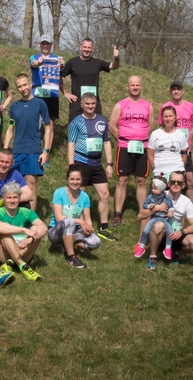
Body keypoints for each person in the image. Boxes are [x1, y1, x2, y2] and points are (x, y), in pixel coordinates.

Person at [67, 92, 116, 241]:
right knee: (79, 195)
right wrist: (71, 166)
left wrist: (109, 164)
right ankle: (79, 226)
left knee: (105, 194)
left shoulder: (102, 120)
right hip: (81, 162)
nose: (90, 106)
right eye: (87, 104)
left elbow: (106, 142)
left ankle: (104, 228)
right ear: (82, 105)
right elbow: (71, 144)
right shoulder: (76, 122)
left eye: (93, 103)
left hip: (97, 163)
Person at [2, 73, 52, 212]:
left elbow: (48, 129)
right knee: (12, 187)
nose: (23, 88)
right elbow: (10, 129)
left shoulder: (40, 104)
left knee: (31, 187)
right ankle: (12, 217)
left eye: (25, 85)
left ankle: (31, 219)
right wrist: (5, 151)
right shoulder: (14, 106)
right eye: (19, 86)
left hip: (33, 151)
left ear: (30, 84)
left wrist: (46, 151)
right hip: (16, 151)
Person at [109, 75, 153, 227]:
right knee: (123, 180)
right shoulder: (120, 105)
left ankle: (143, 212)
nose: (135, 87)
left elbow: (150, 126)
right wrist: (122, 140)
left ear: (141, 87)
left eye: (137, 85)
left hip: (142, 147)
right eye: (132, 85)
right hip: (125, 147)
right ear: (127, 87)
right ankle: (118, 213)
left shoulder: (148, 106)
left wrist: (141, 138)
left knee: (141, 180)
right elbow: (112, 126)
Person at [140, 171, 193, 270]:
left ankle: (176, 254)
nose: (176, 184)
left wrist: (181, 232)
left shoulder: (186, 202)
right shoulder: (158, 195)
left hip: (176, 235)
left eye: (179, 183)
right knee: (158, 226)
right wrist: (156, 208)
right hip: (160, 235)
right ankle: (153, 257)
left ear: (183, 185)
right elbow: (140, 215)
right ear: (168, 184)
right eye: (173, 182)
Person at [0, 181, 48, 283]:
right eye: (9, 198)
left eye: (15, 197)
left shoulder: (27, 212)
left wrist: (30, 239)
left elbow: (43, 228)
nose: (12, 200)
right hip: (4, 254)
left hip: (23, 249)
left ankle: (11, 262)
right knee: (4, 232)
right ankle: (23, 266)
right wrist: (24, 229)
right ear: (3, 199)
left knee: (35, 230)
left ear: (20, 198)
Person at [48, 165, 101, 269]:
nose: (75, 182)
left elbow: (88, 219)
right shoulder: (59, 193)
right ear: (67, 179)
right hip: (56, 231)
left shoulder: (85, 196)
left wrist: (88, 228)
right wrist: (80, 221)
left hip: (74, 231)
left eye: (78, 179)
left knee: (95, 242)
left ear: (82, 180)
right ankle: (71, 256)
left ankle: (68, 245)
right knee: (69, 221)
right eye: (72, 179)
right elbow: (59, 217)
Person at [159, 81, 193, 209]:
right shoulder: (165, 107)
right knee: (170, 180)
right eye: (173, 89)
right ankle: (168, 207)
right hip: (170, 150)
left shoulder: (191, 107)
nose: (176, 91)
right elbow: (161, 126)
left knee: (190, 181)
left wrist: (188, 140)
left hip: (185, 149)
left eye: (178, 89)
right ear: (170, 92)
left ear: (183, 91)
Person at [61, 38, 120, 120]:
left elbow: (113, 66)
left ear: (92, 49)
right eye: (85, 47)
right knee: (75, 127)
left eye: (89, 48)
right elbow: (58, 76)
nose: (86, 49)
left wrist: (116, 58)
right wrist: (65, 93)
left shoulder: (97, 63)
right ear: (81, 47)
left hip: (93, 103)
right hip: (77, 103)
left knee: (95, 127)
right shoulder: (72, 62)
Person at [29, 35, 63, 136]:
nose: (45, 46)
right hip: (37, 93)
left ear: (51, 44)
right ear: (39, 44)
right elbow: (33, 64)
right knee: (35, 121)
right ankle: (34, 143)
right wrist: (39, 63)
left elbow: (61, 71)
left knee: (50, 123)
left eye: (47, 43)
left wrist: (62, 65)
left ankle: (48, 146)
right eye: (43, 43)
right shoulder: (34, 57)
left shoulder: (57, 58)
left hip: (52, 93)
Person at [133, 177, 175, 260]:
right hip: (154, 218)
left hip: (165, 219)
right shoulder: (150, 197)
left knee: (170, 233)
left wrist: (170, 212)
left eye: (155, 189)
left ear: (162, 189)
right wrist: (150, 206)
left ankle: (167, 248)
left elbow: (171, 207)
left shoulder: (167, 198)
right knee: (145, 230)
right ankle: (141, 246)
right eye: (152, 188)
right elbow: (145, 205)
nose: (152, 190)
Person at [148, 104, 189, 181]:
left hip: (177, 173)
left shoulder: (181, 135)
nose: (168, 119)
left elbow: (184, 155)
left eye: (170, 116)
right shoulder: (155, 134)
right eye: (165, 116)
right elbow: (150, 154)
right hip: (159, 173)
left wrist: (179, 169)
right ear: (162, 118)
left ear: (175, 117)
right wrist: (155, 167)